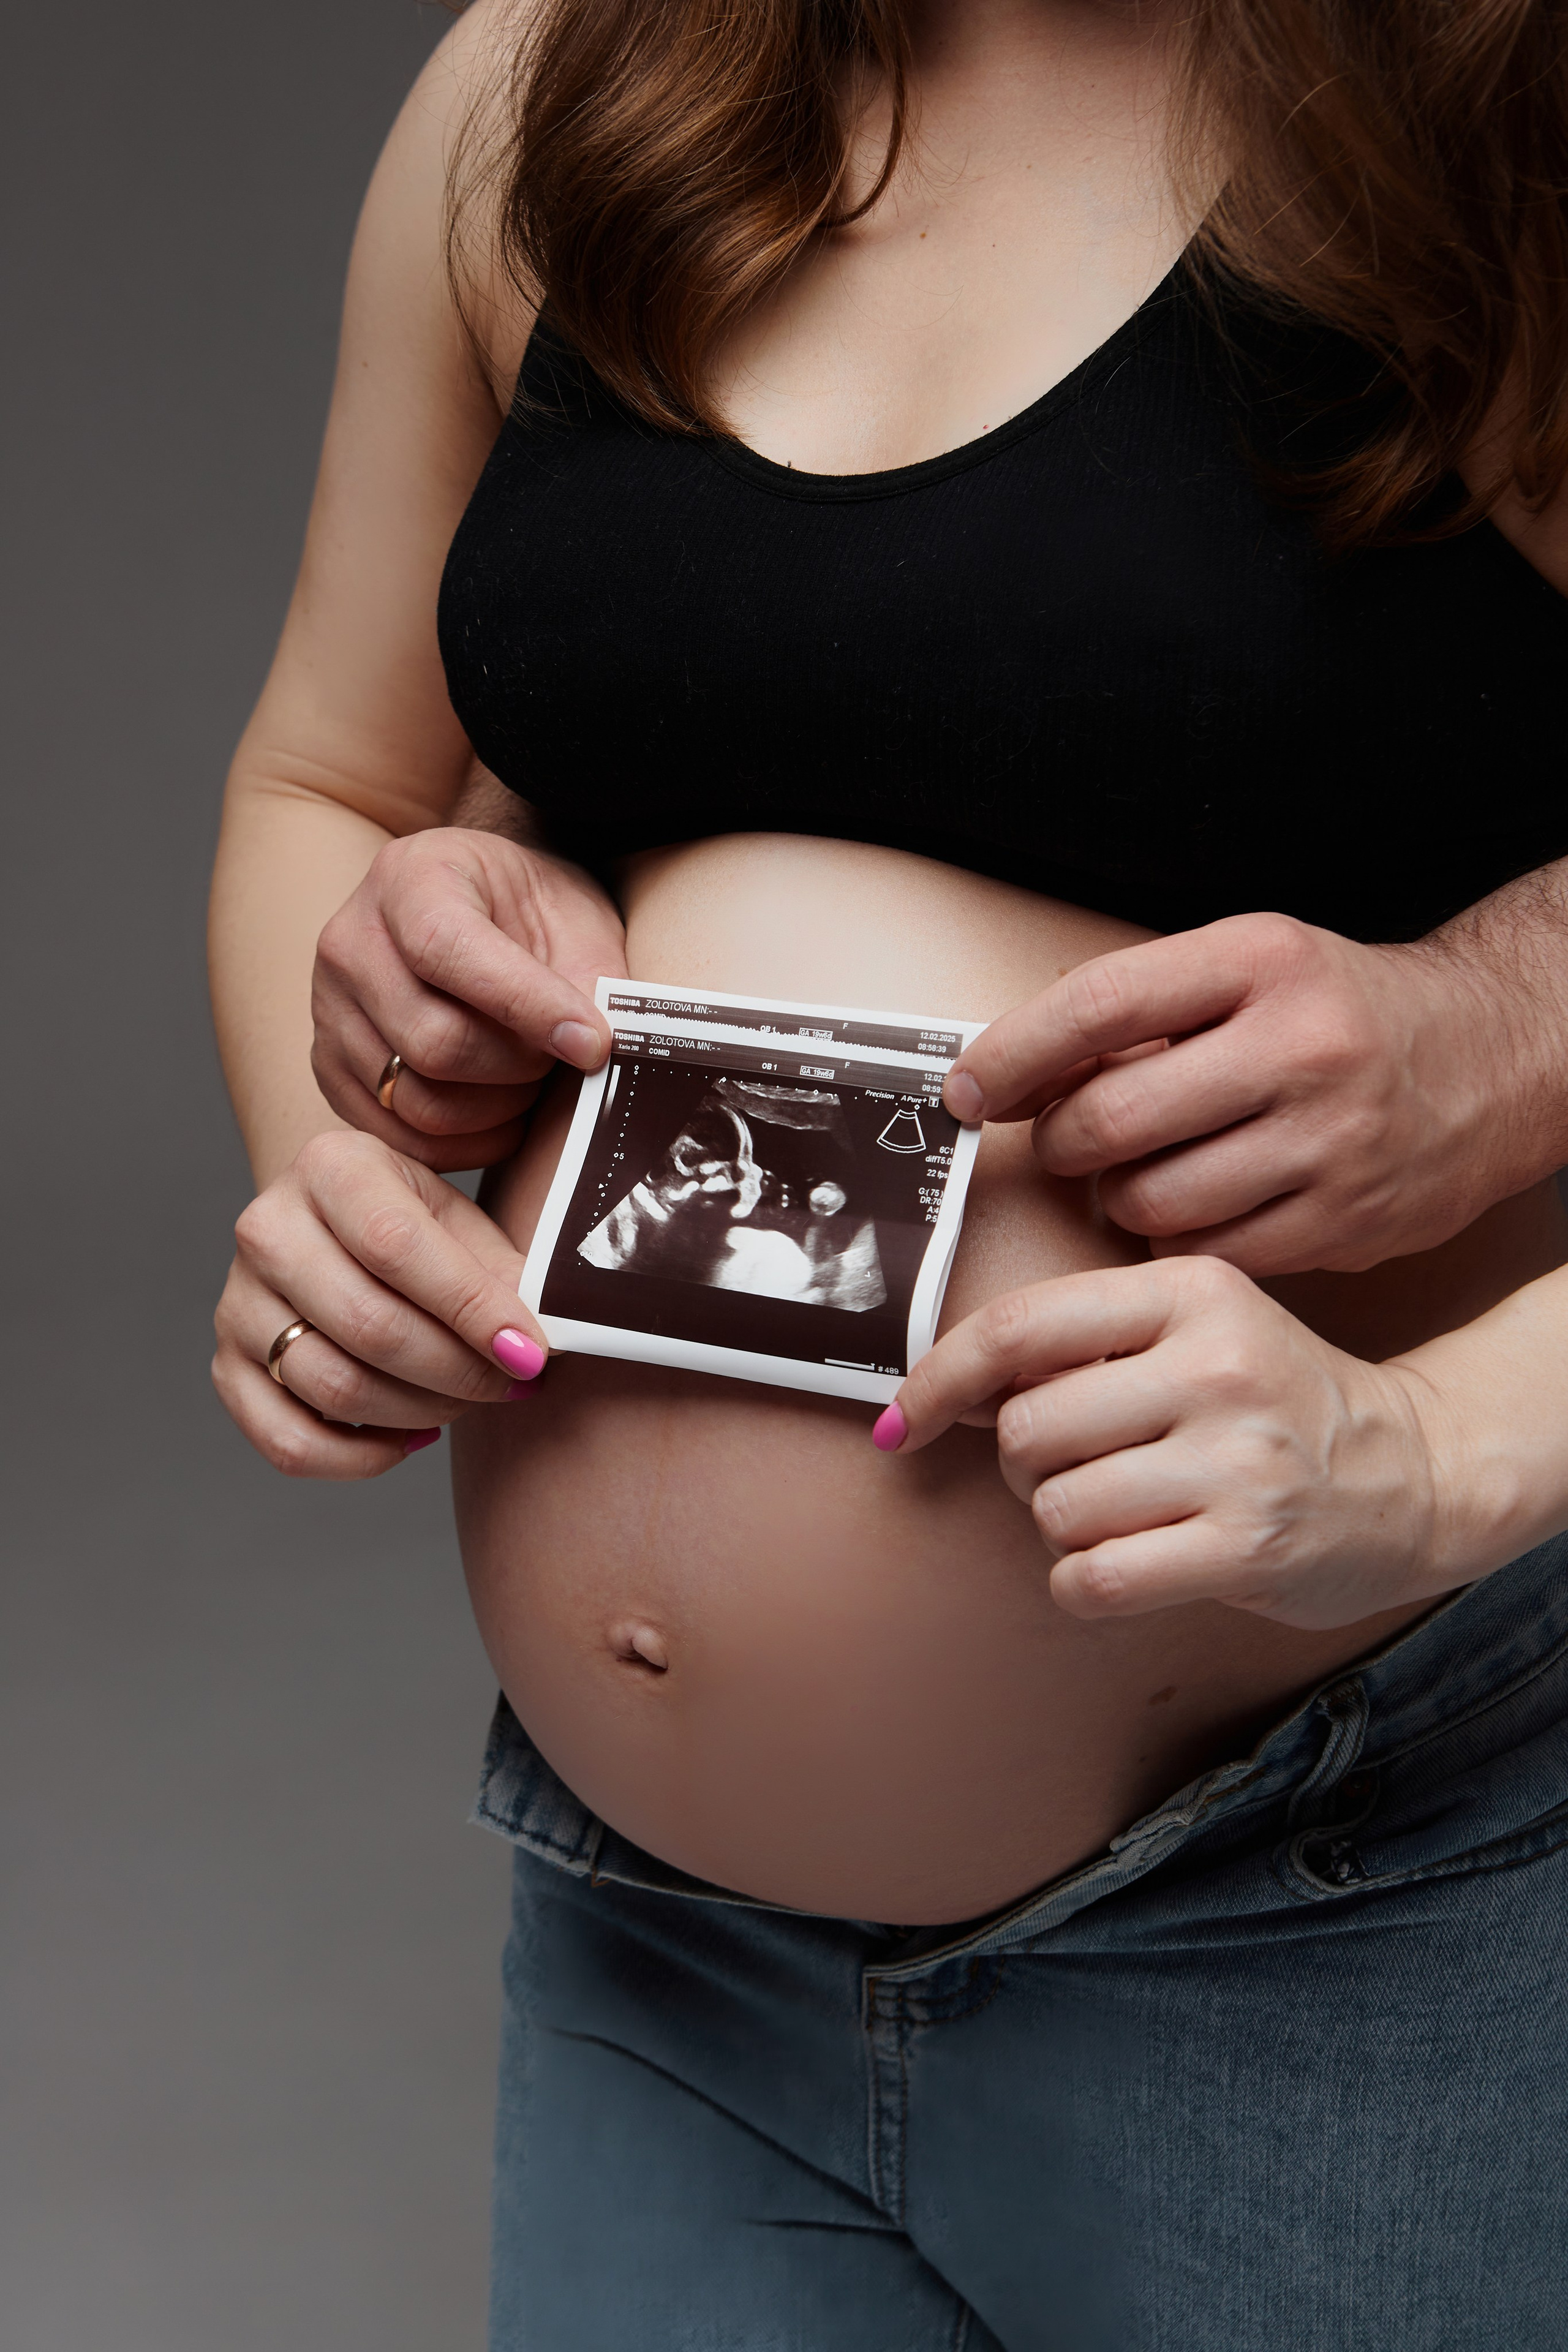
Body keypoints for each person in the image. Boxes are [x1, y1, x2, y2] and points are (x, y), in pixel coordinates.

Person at [208, 1, 1568, 2342]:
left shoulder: (1507, 120)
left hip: (1349, 1911)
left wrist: (1442, 1440)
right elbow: (331, 778)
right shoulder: (565, 80)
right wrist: (350, 1156)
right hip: (660, 1946)